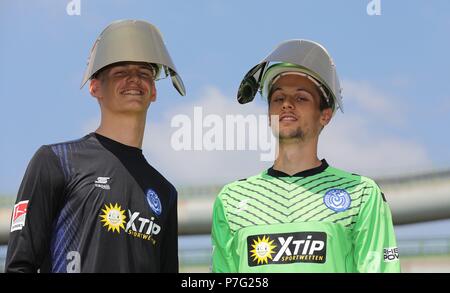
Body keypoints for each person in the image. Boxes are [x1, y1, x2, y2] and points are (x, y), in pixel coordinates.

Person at [5, 19, 185, 273]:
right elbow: (19, 266)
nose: (134, 80)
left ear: (154, 91)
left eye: (144, 73)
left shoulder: (165, 192)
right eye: (120, 72)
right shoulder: (56, 161)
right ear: (94, 87)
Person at [211, 39, 400, 273]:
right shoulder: (231, 200)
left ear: (325, 115)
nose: (286, 105)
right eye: (278, 98)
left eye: (301, 98)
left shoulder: (362, 194)